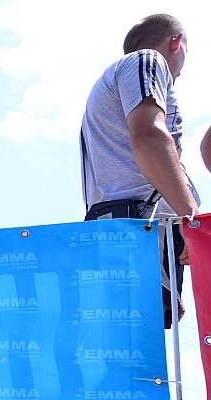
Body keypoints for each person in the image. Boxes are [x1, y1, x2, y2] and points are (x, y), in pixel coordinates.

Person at [79, 14, 199, 326]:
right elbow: (149, 136)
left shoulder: (117, 82)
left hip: (131, 230)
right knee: (134, 340)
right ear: (176, 43)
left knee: (134, 340)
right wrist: (191, 218)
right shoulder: (147, 60)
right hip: (139, 230)